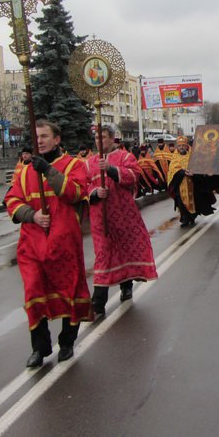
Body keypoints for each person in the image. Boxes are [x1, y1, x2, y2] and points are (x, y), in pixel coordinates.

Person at [4, 120, 93, 368]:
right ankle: (39, 347)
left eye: (44, 136)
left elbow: (74, 192)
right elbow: (12, 199)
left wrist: (48, 171)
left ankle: (66, 342)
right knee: (33, 290)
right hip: (32, 242)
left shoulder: (74, 165)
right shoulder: (24, 171)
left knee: (68, 290)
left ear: (56, 139)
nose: (40, 141)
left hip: (64, 242)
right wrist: (31, 215)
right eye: (37, 137)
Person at [86, 125, 158, 317]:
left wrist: (110, 169)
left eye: (103, 137)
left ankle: (126, 285)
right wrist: (94, 192)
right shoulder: (89, 163)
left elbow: (133, 176)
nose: (99, 141)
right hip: (101, 219)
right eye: (96, 138)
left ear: (112, 139)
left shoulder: (125, 157)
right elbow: (84, 185)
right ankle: (98, 303)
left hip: (123, 215)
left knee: (125, 252)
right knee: (103, 256)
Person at [166, 136, 216, 226]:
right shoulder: (174, 157)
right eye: (179, 146)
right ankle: (185, 219)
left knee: (195, 200)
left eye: (183, 145)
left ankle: (192, 217)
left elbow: (199, 166)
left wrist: (194, 173)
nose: (181, 147)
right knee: (181, 202)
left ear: (186, 146)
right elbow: (173, 170)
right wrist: (182, 172)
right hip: (180, 183)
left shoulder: (193, 156)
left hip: (193, 183)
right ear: (177, 147)